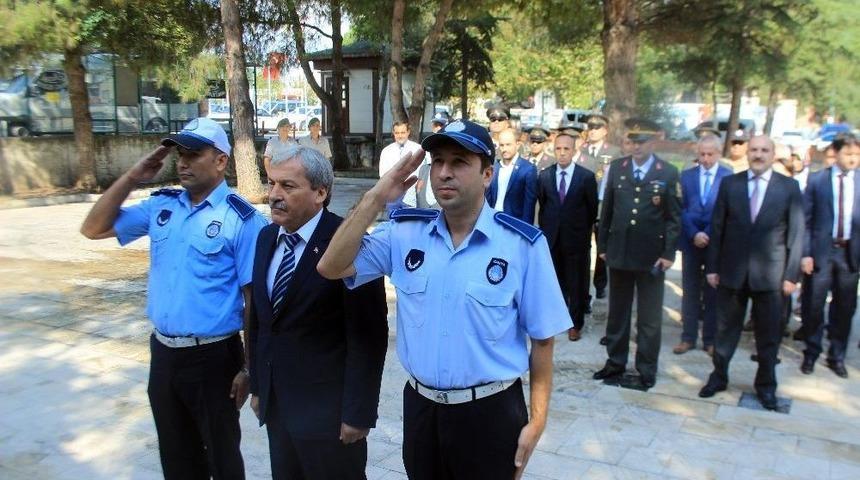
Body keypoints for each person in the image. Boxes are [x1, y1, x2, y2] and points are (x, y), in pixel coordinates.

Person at [317, 119, 570, 479]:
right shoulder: (405, 234)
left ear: (487, 174)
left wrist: (538, 420)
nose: (444, 173)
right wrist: (376, 196)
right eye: (437, 161)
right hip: (422, 411)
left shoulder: (522, 245)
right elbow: (331, 265)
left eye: (459, 162)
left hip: (491, 413)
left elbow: (543, 339)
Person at [79, 117, 268, 479]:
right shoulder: (161, 208)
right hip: (164, 354)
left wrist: (249, 368)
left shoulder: (241, 220)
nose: (181, 162)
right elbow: (93, 229)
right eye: (179, 154)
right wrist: (133, 176)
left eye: (193, 154)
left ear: (220, 161)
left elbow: (253, 300)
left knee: (223, 458)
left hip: (214, 358)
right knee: (176, 457)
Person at [248, 145, 388, 478]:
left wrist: (358, 412)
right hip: (279, 406)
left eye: (288, 186)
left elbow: (368, 335)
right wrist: (258, 385)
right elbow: (259, 321)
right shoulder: (267, 238)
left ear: (320, 193)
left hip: (330, 416)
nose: (273, 195)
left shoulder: (348, 243)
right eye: (271, 184)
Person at [699, 135, 804, 411]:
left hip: (772, 277)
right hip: (731, 273)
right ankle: (718, 377)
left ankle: (766, 387)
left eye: (764, 150)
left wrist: (792, 276)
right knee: (724, 332)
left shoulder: (789, 188)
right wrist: (712, 267)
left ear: (773, 154)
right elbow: (717, 228)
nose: (758, 155)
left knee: (768, 337)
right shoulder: (730, 184)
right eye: (754, 150)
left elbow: (796, 234)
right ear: (747, 153)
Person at [593, 119, 681, 390]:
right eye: (632, 141)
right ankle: (615, 362)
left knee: (649, 318)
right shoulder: (617, 168)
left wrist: (668, 253)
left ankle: (646, 368)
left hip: (651, 257)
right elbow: (606, 211)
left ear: (653, 143)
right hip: (619, 253)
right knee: (617, 314)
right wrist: (603, 247)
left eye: (642, 142)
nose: (636, 147)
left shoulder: (666, 172)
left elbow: (673, 218)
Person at [799, 134, 860, 379]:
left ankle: (837, 355)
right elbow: (805, 220)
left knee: (844, 307)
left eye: (857, 155)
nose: (853, 159)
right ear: (836, 153)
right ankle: (811, 352)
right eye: (848, 154)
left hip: (850, 254)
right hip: (822, 252)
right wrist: (805, 254)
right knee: (814, 304)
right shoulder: (818, 181)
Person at [537, 133, 598, 341]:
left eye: (566, 149)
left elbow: (592, 210)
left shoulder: (586, 177)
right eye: (558, 149)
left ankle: (575, 323)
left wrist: (582, 232)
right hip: (553, 237)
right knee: (556, 281)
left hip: (576, 240)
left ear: (574, 151)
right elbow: (544, 205)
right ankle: (557, 319)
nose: (562, 153)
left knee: (577, 282)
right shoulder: (545, 175)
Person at [674, 135, 732, 356]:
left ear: (718, 153)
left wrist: (707, 233)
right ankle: (688, 337)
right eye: (702, 154)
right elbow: (681, 208)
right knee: (690, 290)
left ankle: (710, 339)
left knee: (712, 292)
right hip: (690, 241)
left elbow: (724, 211)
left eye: (710, 154)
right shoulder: (687, 176)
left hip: (715, 242)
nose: (706, 159)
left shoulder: (728, 177)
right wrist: (694, 233)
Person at [580, 114, 622, 301]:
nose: (593, 130)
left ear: (605, 130)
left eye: (597, 127)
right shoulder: (581, 150)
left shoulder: (614, 152)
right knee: (583, 249)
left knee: (602, 248)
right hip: (581, 206)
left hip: (602, 207)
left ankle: (600, 284)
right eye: (590, 127)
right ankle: (583, 288)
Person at [486, 128, 538, 223]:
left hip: (514, 223)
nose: (504, 149)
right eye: (502, 145)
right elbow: (488, 199)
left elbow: (529, 205)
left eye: (508, 145)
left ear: (517, 145)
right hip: (493, 220)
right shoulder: (495, 167)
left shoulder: (528, 169)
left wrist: (524, 231)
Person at [379, 121, 422, 214]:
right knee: (393, 223)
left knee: (412, 223)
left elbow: (423, 172)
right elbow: (382, 175)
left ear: (408, 132)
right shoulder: (386, 151)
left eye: (403, 132)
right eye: (397, 133)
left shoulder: (418, 149)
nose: (400, 136)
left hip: (412, 195)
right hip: (392, 196)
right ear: (393, 133)